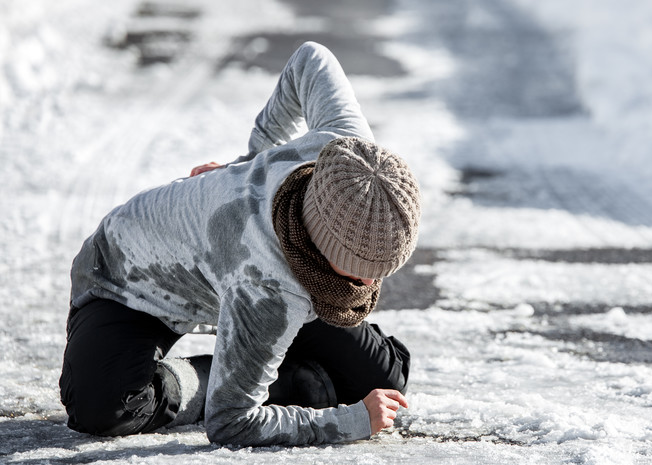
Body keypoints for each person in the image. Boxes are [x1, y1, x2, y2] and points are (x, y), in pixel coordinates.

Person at [58, 41, 420, 447]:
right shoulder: (268, 287)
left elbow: (311, 59)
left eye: (380, 273)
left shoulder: (349, 153)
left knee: (383, 384)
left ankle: (266, 365)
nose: (368, 286)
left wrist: (248, 164)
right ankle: (234, 376)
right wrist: (349, 423)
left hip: (251, 263)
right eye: (358, 270)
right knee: (104, 407)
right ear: (323, 244)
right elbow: (230, 423)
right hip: (129, 278)